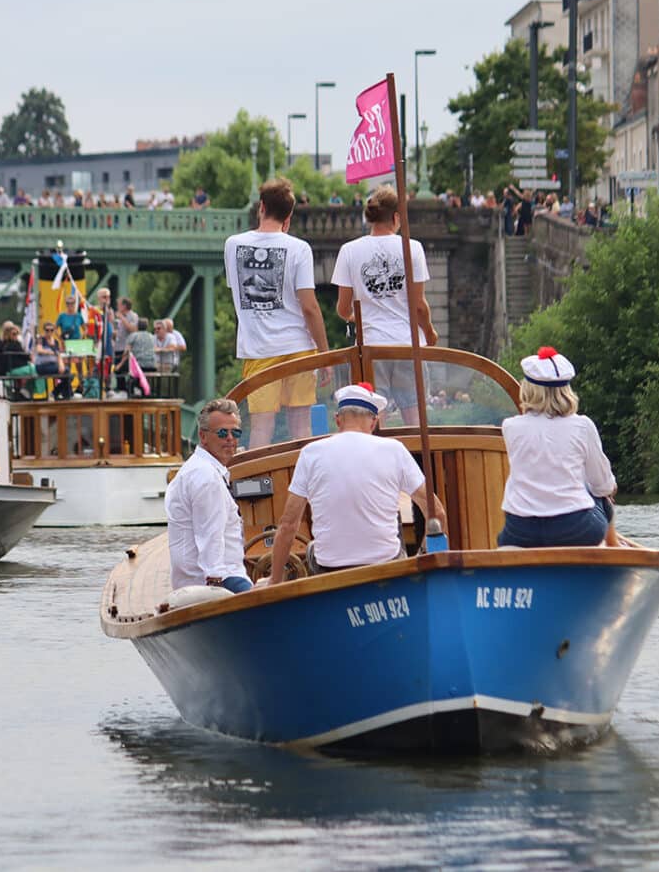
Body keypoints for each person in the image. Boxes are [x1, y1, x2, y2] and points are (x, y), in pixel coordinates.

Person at [266, 384, 447, 586]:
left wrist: (274, 580)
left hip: (331, 571)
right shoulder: (395, 450)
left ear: (338, 420)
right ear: (374, 422)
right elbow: (437, 513)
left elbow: (288, 524)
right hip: (386, 567)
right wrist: (421, 556)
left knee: (311, 549)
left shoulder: (311, 453)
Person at [223, 177, 330, 448]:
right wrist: (325, 354)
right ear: (289, 216)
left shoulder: (233, 245)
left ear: (261, 207)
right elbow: (309, 307)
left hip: (259, 350)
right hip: (298, 347)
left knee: (261, 428)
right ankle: (307, 486)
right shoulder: (299, 248)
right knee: (301, 427)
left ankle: (263, 489)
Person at [333, 184, 438, 425]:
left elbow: (343, 309)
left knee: (372, 415)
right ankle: (416, 461)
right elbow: (418, 305)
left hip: (371, 347)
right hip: (408, 344)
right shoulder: (412, 248)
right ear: (396, 216)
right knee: (414, 416)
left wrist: (359, 318)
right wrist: (430, 332)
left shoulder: (349, 250)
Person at [498, 347, 620, 548]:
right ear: (566, 391)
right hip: (575, 529)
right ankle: (613, 548)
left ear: (528, 390)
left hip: (521, 531)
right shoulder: (583, 426)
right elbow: (603, 486)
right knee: (599, 494)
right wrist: (605, 489)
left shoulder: (510, 427)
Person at [165, 398, 252, 593]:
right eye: (222, 433)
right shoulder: (207, 477)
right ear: (202, 436)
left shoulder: (198, 469)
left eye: (235, 432)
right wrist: (216, 589)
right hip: (220, 581)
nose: (230, 438)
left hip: (197, 580)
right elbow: (210, 536)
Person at [33, 322, 71, 398]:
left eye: (51, 330)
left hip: (53, 365)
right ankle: (60, 394)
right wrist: (50, 352)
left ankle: (58, 394)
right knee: (66, 373)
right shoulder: (40, 339)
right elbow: (39, 350)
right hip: (42, 366)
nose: (49, 332)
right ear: (44, 330)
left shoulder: (56, 342)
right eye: (47, 330)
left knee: (68, 373)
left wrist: (61, 365)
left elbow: (59, 354)